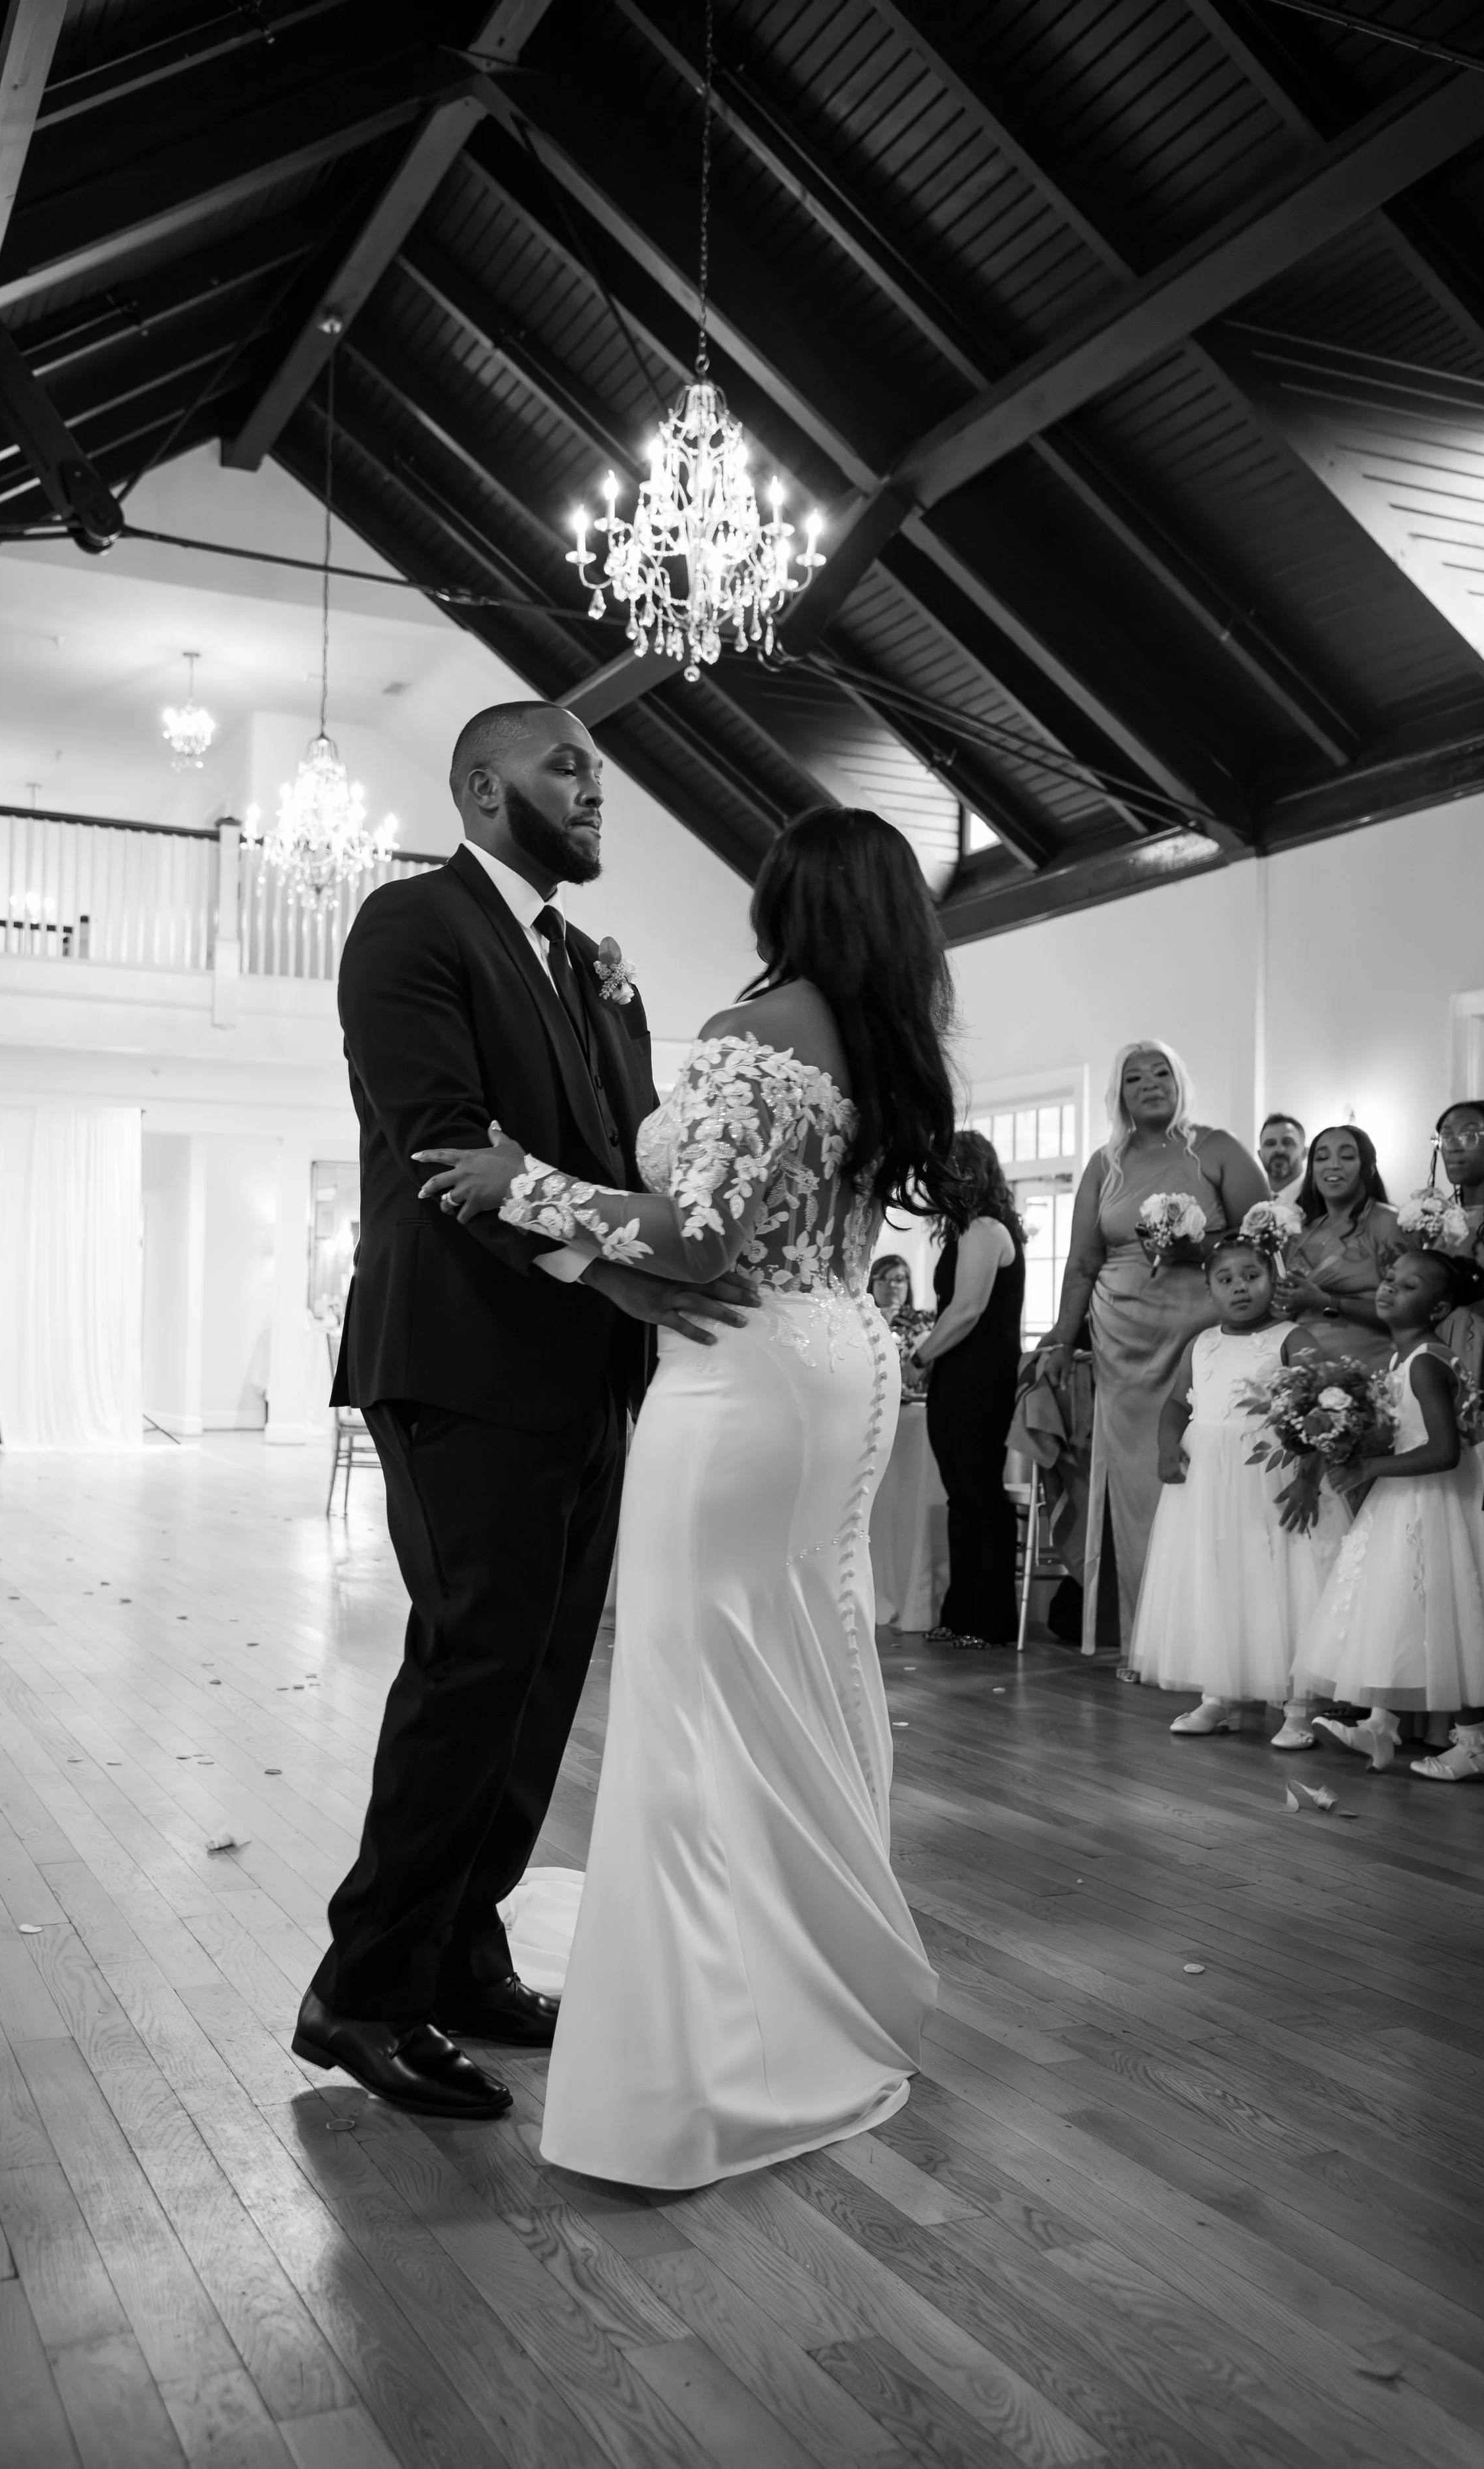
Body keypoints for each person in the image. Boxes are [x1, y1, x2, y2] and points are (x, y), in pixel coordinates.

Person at [419, 806, 950, 2187]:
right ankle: (817, 1950)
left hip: (741, 1378)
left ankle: (713, 2031)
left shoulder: (762, 1025)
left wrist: (519, 1183)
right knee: (800, 1652)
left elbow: (696, 1238)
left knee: (695, 1677)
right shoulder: (882, 1035)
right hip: (838, 1365)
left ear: (786, 901)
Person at [294, 701, 753, 2120]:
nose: (596, 787)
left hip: (587, 1376)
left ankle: (460, 1947)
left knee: (543, 1676)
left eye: (600, 769)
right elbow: (443, 1140)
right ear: (484, 789)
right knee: (471, 1665)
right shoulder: (410, 926)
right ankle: (362, 1991)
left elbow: (622, 1152)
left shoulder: (588, 970)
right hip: (460, 1358)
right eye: (569, 766)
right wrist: (599, 1277)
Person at [1032, 1042, 1267, 1667]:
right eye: (1134, 1078)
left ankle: (1219, 1647)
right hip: (1123, 1343)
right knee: (1140, 1487)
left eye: (1161, 1072)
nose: (1150, 1084)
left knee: (1206, 1475)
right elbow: (1083, 1260)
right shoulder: (1104, 1164)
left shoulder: (1216, 1148)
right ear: (1119, 1094)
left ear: (1180, 1080)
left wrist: (1197, 1243)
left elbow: (1262, 1237)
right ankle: (1150, 1642)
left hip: (1205, 1332)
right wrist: (1061, 1334)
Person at [1302, 1250, 1484, 1783]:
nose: (1390, 1287)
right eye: (1390, 1277)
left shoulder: (1423, 1361)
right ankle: (1381, 1723)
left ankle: (1477, 1743)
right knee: (1400, 1609)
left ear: (1438, 1306)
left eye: (1409, 1285)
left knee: (1439, 1614)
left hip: (1434, 1502)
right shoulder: (1405, 1357)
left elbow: (1445, 1450)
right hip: (1408, 1500)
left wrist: (1369, 1464)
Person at [1130, 1230, 1341, 1743]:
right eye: (1225, 1279)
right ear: (1209, 1289)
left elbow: (1327, 1411)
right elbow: (1179, 1403)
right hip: (1208, 1485)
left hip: (1274, 1479)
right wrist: (1166, 1446)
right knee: (1219, 1576)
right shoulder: (1202, 1343)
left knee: (1280, 1580)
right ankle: (1217, 1696)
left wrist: (1310, 1480)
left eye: (1252, 1275)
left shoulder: (1293, 1339)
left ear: (1273, 1278)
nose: (1239, 1288)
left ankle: (1297, 1704)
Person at [911, 1132, 1025, 1649]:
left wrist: (919, 1355)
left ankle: (990, 1618)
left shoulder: (984, 1228)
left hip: (980, 1375)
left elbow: (967, 1310)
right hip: (962, 1373)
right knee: (962, 1493)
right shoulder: (969, 1230)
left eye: (948, 1169)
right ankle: (960, 1614)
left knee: (979, 1492)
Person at [1273, 1124, 1400, 1370]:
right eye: (1322, 1157)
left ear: (1368, 1167)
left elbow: (1405, 1309)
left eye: (1347, 1156)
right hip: (1302, 1369)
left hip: (1366, 1365)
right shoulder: (1304, 1229)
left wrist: (1326, 1301)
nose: (1333, 1165)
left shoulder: (1385, 1222)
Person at [1431, 1100, 1484, 1398]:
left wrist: (1472, 1290)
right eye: (1445, 1136)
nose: (1453, 1147)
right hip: (1440, 1353)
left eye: (1470, 1135)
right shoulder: (1442, 1216)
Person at [869, 1251, 934, 1396]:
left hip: (916, 1403)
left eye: (899, 1279)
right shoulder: (861, 1322)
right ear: (871, 1283)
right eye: (882, 1278)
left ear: (907, 1285)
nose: (891, 1285)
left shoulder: (926, 1321)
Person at [1258, 1113, 1307, 1204]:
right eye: (1270, 1144)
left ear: (1305, 1153)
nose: (1279, 1150)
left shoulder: (1321, 1201)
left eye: (1288, 1142)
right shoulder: (1248, 1200)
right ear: (1260, 1155)